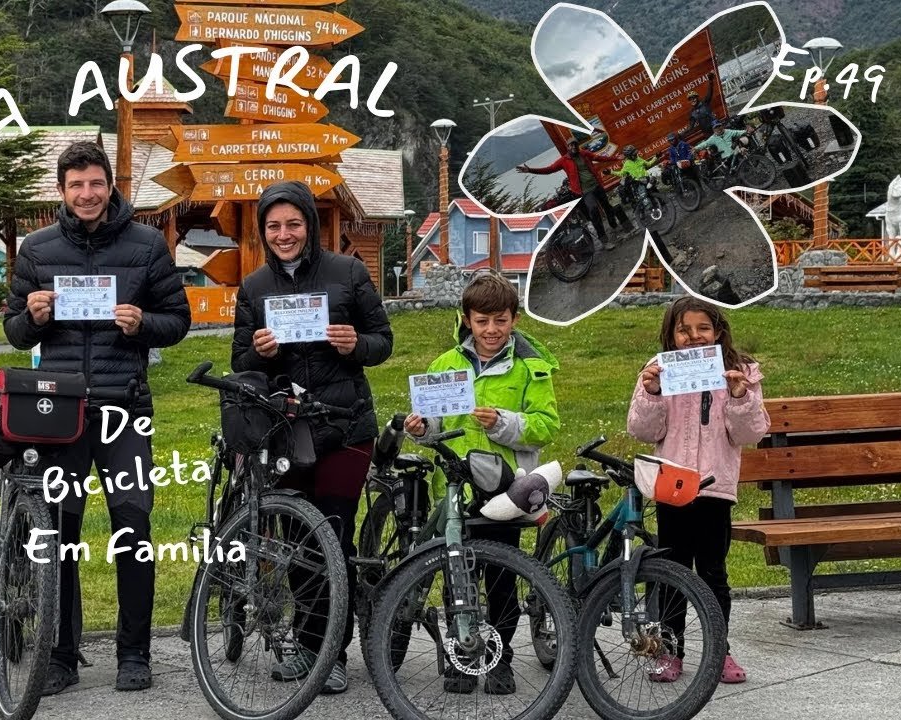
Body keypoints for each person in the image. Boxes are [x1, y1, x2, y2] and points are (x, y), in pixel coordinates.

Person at [2, 140, 192, 694]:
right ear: (61, 191)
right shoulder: (37, 249)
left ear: (110, 186)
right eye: (76, 185)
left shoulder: (147, 244)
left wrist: (142, 324)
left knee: (134, 529)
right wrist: (33, 318)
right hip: (58, 413)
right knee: (60, 535)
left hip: (124, 409)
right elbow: (14, 331)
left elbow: (178, 320)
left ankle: (134, 654)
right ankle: (61, 656)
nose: (86, 194)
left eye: (95, 183)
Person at [231, 179, 393, 695]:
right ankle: (309, 642)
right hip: (287, 431)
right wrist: (259, 352)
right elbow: (240, 362)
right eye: (274, 226)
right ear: (263, 231)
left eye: (293, 224)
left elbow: (383, 341)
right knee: (300, 542)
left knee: (335, 536)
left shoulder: (348, 272)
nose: (284, 234)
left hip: (346, 425)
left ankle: (333, 653)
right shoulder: (254, 286)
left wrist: (355, 344)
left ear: (311, 225)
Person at [403, 271, 560, 695]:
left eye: (501, 321)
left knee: (502, 578)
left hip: (506, 492)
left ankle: (500, 657)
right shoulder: (445, 366)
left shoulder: (531, 368)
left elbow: (546, 426)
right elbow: (433, 424)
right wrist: (421, 429)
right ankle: (464, 656)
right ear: (466, 320)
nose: (491, 330)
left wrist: (503, 423)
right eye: (482, 321)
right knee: (458, 577)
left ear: (515, 320)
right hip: (455, 490)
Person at [626, 296, 770, 685]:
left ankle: (718, 650)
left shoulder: (739, 372)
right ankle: (670, 649)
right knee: (671, 573)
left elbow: (750, 433)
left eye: (703, 328)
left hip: (714, 490)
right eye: (683, 330)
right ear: (671, 335)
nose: (693, 337)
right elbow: (642, 430)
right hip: (673, 488)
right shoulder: (659, 370)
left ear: (718, 331)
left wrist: (739, 397)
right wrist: (652, 392)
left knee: (713, 573)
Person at [519, 138, 633, 249]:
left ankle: (614, 226)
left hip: (596, 186)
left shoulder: (584, 153)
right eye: (571, 145)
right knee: (594, 212)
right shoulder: (564, 160)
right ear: (568, 147)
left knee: (607, 207)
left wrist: (615, 158)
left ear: (577, 146)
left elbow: (599, 158)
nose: (573, 147)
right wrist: (531, 170)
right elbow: (549, 169)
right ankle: (604, 240)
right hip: (585, 191)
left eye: (575, 144)